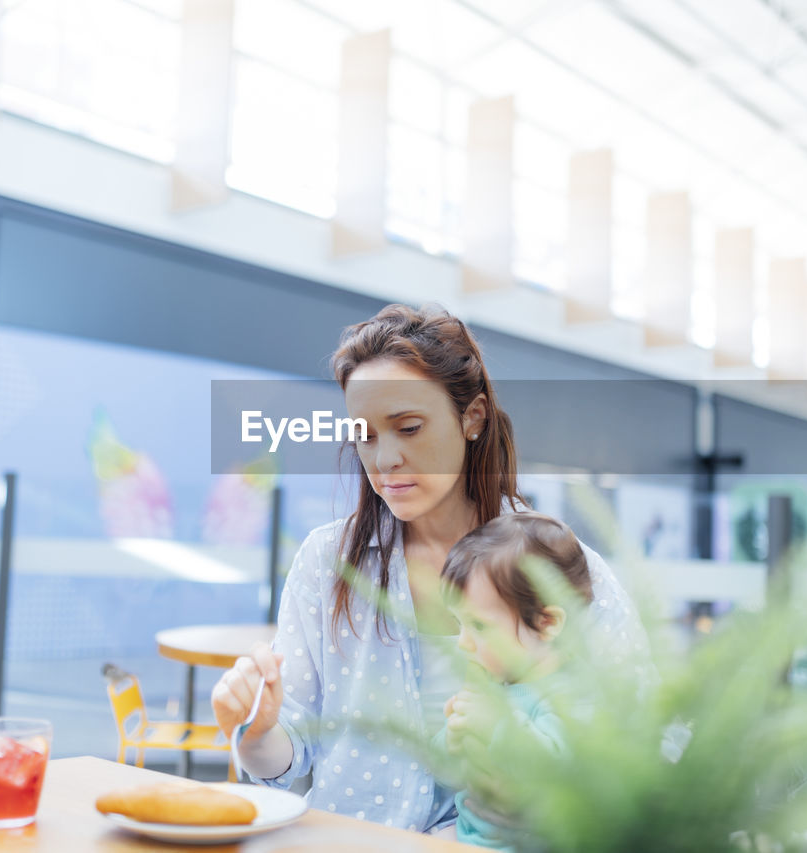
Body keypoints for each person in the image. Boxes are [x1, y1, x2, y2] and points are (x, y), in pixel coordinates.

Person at [210, 303, 650, 833]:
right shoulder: (326, 564)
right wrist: (257, 733)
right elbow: (288, 758)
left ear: (473, 418)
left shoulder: (558, 568)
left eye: (409, 427)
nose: (385, 459)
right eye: (365, 436)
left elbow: (638, 743)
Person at [433, 512, 598, 850]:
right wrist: (453, 736)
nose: (463, 642)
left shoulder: (574, 697)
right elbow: (448, 774)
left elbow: (554, 768)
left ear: (547, 622)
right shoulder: (496, 684)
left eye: (478, 626)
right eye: (458, 624)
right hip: (468, 837)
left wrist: (497, 724)